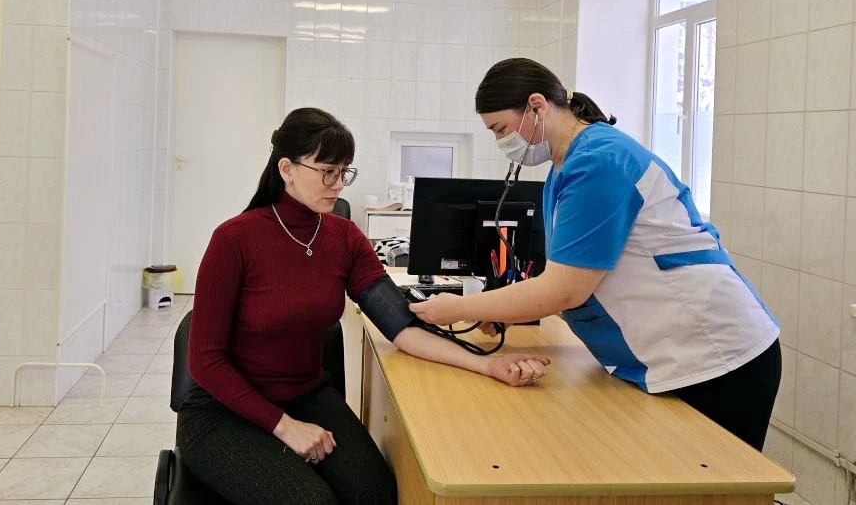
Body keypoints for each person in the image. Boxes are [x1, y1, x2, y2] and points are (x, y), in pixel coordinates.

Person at [179, 107, 550, 505]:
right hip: (223, 411)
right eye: (327, 171)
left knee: (375, 492)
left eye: (344, 172)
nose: (339, 184)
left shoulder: (344, 237)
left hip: (304, 395)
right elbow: (205, 361)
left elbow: (401, 327)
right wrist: (284, 426)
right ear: (287, 169)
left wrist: (487, 365)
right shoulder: (234, 240)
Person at [410, 58, 781, 452]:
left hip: (713, 353)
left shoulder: (598, 162)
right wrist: (503, 308)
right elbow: (577, 275)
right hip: (671, 353)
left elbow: (565, 289)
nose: (502, 142)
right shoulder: (567, 166)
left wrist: (457, 308)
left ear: (537, 106)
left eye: (501, 129)